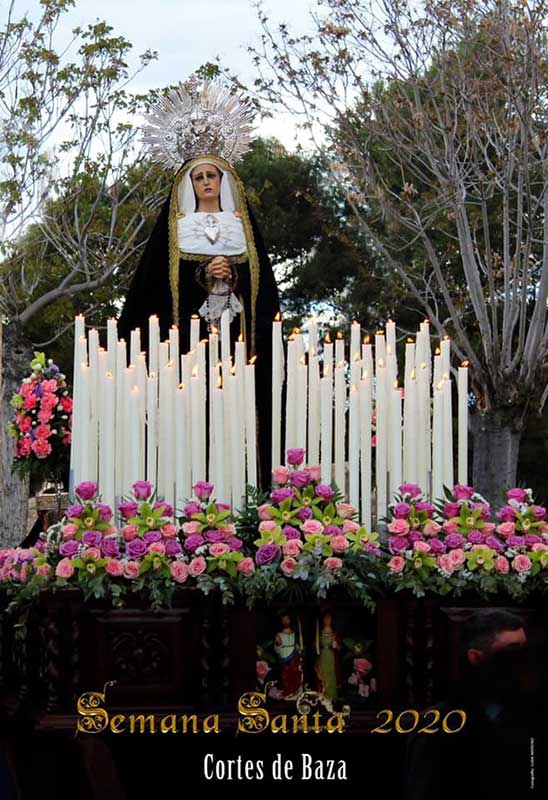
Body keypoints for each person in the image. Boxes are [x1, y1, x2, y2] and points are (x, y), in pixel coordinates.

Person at [117, 80, 280, 489]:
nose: (206, 182)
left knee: (240, 420)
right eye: (199, 176)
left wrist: (235, 277)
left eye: (213, 175)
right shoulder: (173, 232)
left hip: (240, 351)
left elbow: (265, 297)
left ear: (224, 181)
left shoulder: (243, 230)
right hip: (189, 353)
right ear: (189, 184)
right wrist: (202, 276)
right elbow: (152, 294)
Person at [405, 608, 546, 799]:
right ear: (476, 658)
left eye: (525, 650)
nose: (523, 662)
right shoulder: (436, 726)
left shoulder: (532, 715)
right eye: (512, 651)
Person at [274, 612, 303, 699]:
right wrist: (278, 644)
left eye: (287, 619)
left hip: (294, 657)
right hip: (284, 656)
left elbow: (297, 646)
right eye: (284, 620)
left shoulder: (294, 634)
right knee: (285, 675)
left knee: (295, 674)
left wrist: (299, 648)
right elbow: (276, 649)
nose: (285, 621)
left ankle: (295, 692)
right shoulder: (279, 635)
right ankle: (288, 692)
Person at [315, 611, 341, 702]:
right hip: (322, 655)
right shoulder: (320, 632)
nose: (327, 620)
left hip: (331, 656)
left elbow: (339, 647)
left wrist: (336, 645)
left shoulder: (334, 634)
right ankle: (322, 694)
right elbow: (315, 645)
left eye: (329, 618)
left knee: (330, 674)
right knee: (322, 673)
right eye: (325, 618)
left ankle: (331, 695)